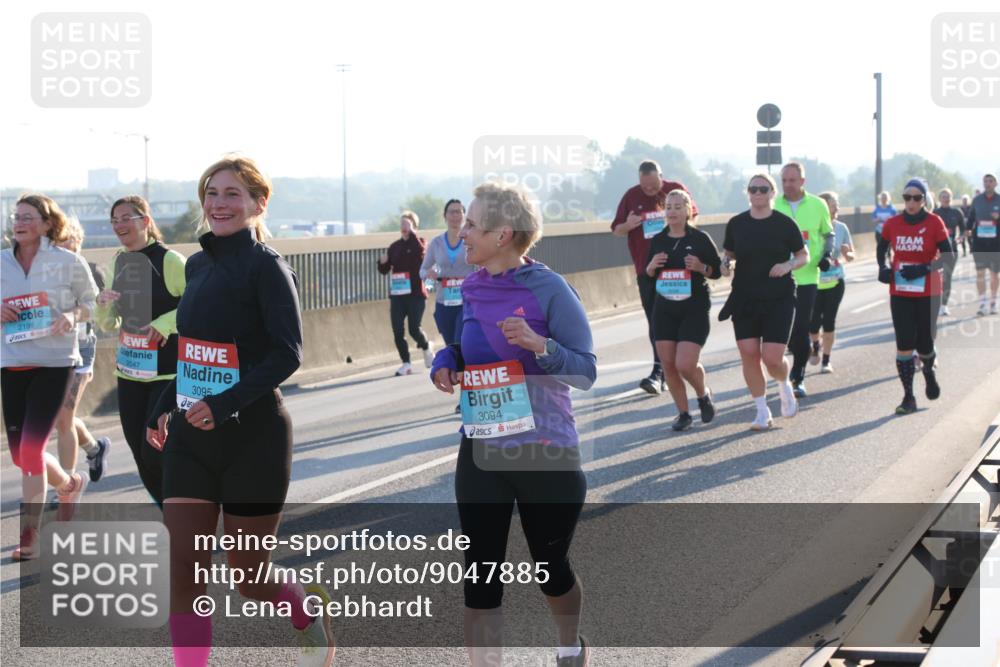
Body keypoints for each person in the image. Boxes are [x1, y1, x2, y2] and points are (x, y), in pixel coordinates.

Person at [144, 157, 334, 666]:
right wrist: (164, 405)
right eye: (212, 193)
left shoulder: (267, 267)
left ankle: (303, 610)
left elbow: (287, 352)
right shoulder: (199, 265)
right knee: (186, 568)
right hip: (192, 437)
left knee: (249, 576)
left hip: (254, 437)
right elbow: (193, 346)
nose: (219, 204)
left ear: (257, 203)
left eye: (232, 194)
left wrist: (223, 404)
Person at [430, 181, 596, 667]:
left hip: (544, 450)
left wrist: (539, 345)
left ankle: (569, 648)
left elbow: (585, 371)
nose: (464, 232)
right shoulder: (474, 284)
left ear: (503, 234)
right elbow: (469, 346)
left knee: (550, 568)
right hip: (482, 446)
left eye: (474, 224)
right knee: (480, 571)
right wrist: (446, 358)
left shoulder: (550, 289)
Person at [2, 193, 96, 560]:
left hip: (55, 363)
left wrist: (72, 316)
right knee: (20, 456)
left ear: (45, 224)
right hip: (11, 362)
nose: (19, 222)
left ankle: (29, 534)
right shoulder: (1, 262)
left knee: (31, 449)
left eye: (28, 216)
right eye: (16, 216)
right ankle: (70, 484)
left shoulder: (67, 261)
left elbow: (91, 301)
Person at [95, 195, 186, 504]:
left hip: (166, 373)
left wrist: (165, 323)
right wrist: (103, 306)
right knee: (139, 451)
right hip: (130, 371)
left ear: (145, 221)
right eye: (114, 220)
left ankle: (185, 513)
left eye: (126, 218)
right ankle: (171, 514)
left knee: (157, 449)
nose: (120, 225)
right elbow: (109, 323)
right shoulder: (118, 263)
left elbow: (197, 305)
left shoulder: (169, 261)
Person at [719, 174, 809, 430]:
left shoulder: (784, 223)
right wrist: (726, 265)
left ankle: (783, 384)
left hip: (778, 298)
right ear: (747, 193)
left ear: (772, 193)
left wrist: (787, 264)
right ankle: (761, 411)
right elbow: (730, 255)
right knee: (748, 354)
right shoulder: (737, 223)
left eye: (763, 189)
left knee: (771, 358)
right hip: (745, 297)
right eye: (752, 189)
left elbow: (803, 255)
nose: (757, 193)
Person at [610, 160, 698, 395]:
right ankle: (660, 371)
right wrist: (628, 225)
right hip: (646, 271)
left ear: (661, 176)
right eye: (645, 186)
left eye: (653, 185)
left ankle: (674, 365)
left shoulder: (674, 189)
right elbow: (616, 229)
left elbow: (694, 218)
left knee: (678, 319)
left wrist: (672, 220)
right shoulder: (631, 196)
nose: (649, 190)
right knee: (656, 322)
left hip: (677, 269)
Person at [645, 189, 721, 431]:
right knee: (668, 365)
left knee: (685, 364)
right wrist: (650, 266)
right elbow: (649, 274)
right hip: (665, 308)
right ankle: (683, 413)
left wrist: (701, 266)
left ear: (688, 210)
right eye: (668, 206)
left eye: (678, 206)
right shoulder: (658, 240)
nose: (673, 211)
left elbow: (716, 271)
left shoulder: (700, 239)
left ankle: (703, 394)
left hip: (694, 309)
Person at [877, 178, 952, 415]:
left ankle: (928, 372)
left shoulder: (934, 222)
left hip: (928, 290)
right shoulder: (893, 222)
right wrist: (883, 268)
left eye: (916, 198)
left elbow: (949, 256)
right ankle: (908, 397)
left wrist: (924, 268)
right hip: (900, 290)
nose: (911, 202)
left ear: (924, 200)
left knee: (925, 343)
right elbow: (882, 247)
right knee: (904, 343)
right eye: (907, 197)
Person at [53, 215, 112, 483]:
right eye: (57, 243)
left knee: (63, 419)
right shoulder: (46, 274)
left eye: (68, 242)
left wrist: (99, 305)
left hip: (82, 350)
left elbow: (102, 316)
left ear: (78, 241)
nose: (63, 248)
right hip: (50, 352)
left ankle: (65, 486)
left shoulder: (91, 270)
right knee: (61, 418)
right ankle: (94, 448)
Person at [773, 162, 834, 398]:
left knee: (801, 328)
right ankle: (796, 357)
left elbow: (828, 234)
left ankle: (798, 377)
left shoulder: (818, 205)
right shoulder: (774, 204)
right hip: (779, 277)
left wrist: (827, 254)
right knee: (785, 331)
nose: (788, 185)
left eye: (792, 180)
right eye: (784, 181)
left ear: (802, 182)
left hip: (808, 277)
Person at [420, 199, 477, 412]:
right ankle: (466, 395)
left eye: (459, 212)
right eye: (451, 212)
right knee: (453, 348)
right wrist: (429, 277)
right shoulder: (436, 243)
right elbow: (422, 272)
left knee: (464, 346)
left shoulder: (470, 238)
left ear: (464, 216)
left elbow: (481, 264)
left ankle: (467, 398)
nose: (455, 216)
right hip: (444, 303)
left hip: (467, 302)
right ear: (445, 216)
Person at [378, 211, 433, 376]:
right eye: (402, 224)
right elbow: (384, 270)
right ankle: (406, 363)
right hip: (398, 295)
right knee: (397, 329)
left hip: (416, 293)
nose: (404, 227)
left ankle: (425, 346)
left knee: (414, 329)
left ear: (414, 227)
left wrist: (413, 234)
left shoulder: (420, 242)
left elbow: (421, 252)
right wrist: (382, 263)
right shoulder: (394, 247)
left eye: (407, 224)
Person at [808, 192, 855, 374]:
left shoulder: (842, 228)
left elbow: (851, 254)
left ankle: (826, 360)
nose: (835, 207)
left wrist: (847, 254)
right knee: (812, 323)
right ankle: (814, 344)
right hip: (813, 282)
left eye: (836, 204)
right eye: (831, 204)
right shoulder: (813, 227)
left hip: (836, 281)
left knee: (829, 321)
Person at [966, 173, 1000, 316]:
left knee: (994, 274)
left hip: (995, 242)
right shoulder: (977, 200)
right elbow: (971, 217)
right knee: (980, 273)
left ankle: (993, 302)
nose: (988, 183)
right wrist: (967, 230)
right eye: (985, 181)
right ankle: (982, 303)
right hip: (979, 242)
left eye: (990, 181)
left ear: (995, 183)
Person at [933, 188, 965, 316]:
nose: (946, 198)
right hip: (936, 252)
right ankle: (932, 303)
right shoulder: (935, 212)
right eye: (943, 196)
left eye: (948, 196)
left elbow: (963, 228)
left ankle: (944, 305)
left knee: (947, 277)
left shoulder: (957, 212)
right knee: (933, 278)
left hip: (951, 250)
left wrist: (961, 237)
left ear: (951, 198)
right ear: (939, 199)